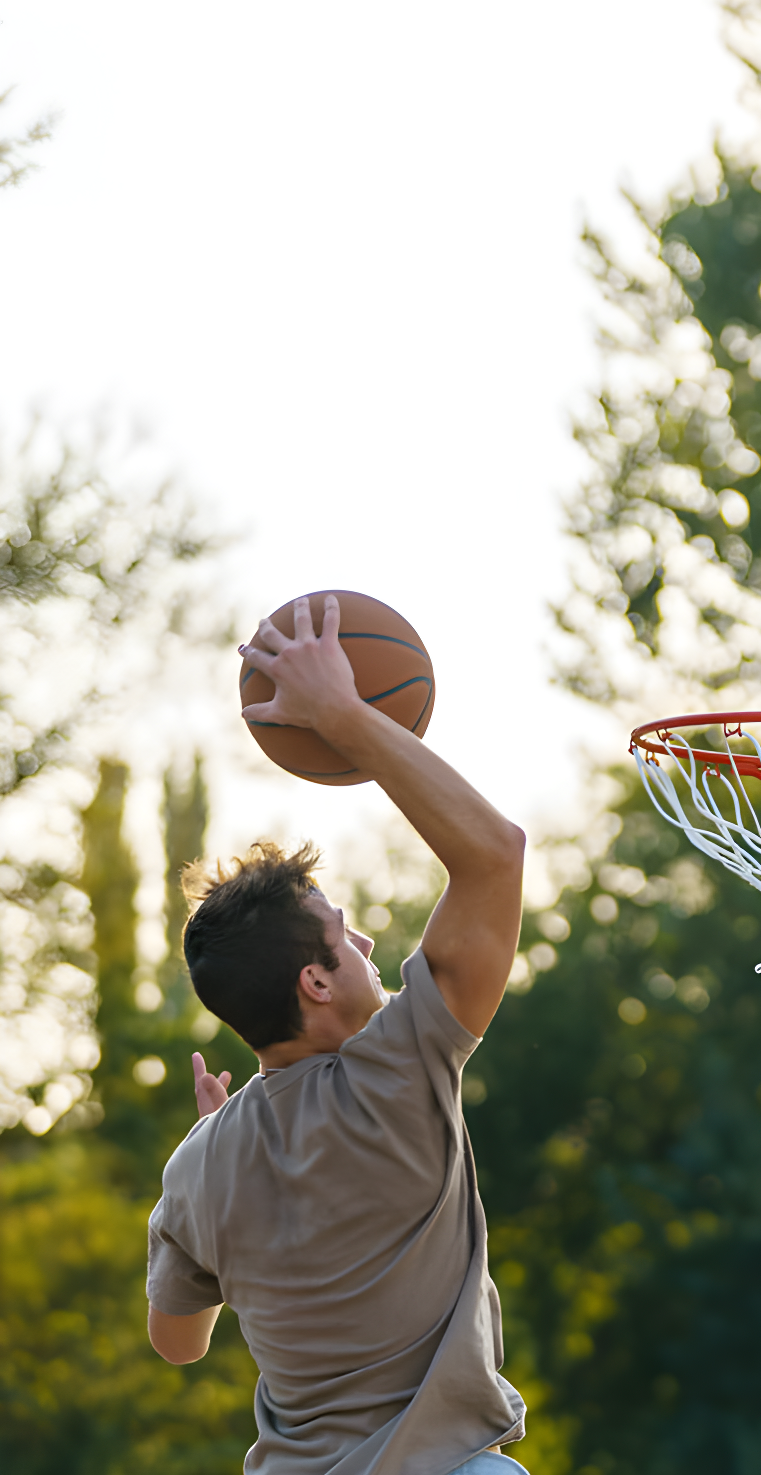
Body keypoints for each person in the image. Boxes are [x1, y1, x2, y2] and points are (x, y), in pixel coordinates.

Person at [146, 596, 528, 1475]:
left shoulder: (198, 1166)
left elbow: (179, 1345)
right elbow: (494, 854)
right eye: (344, 934)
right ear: (315, 983)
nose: (366, 945)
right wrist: (344, 717)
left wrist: (209, 1163)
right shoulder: (398, 1071)